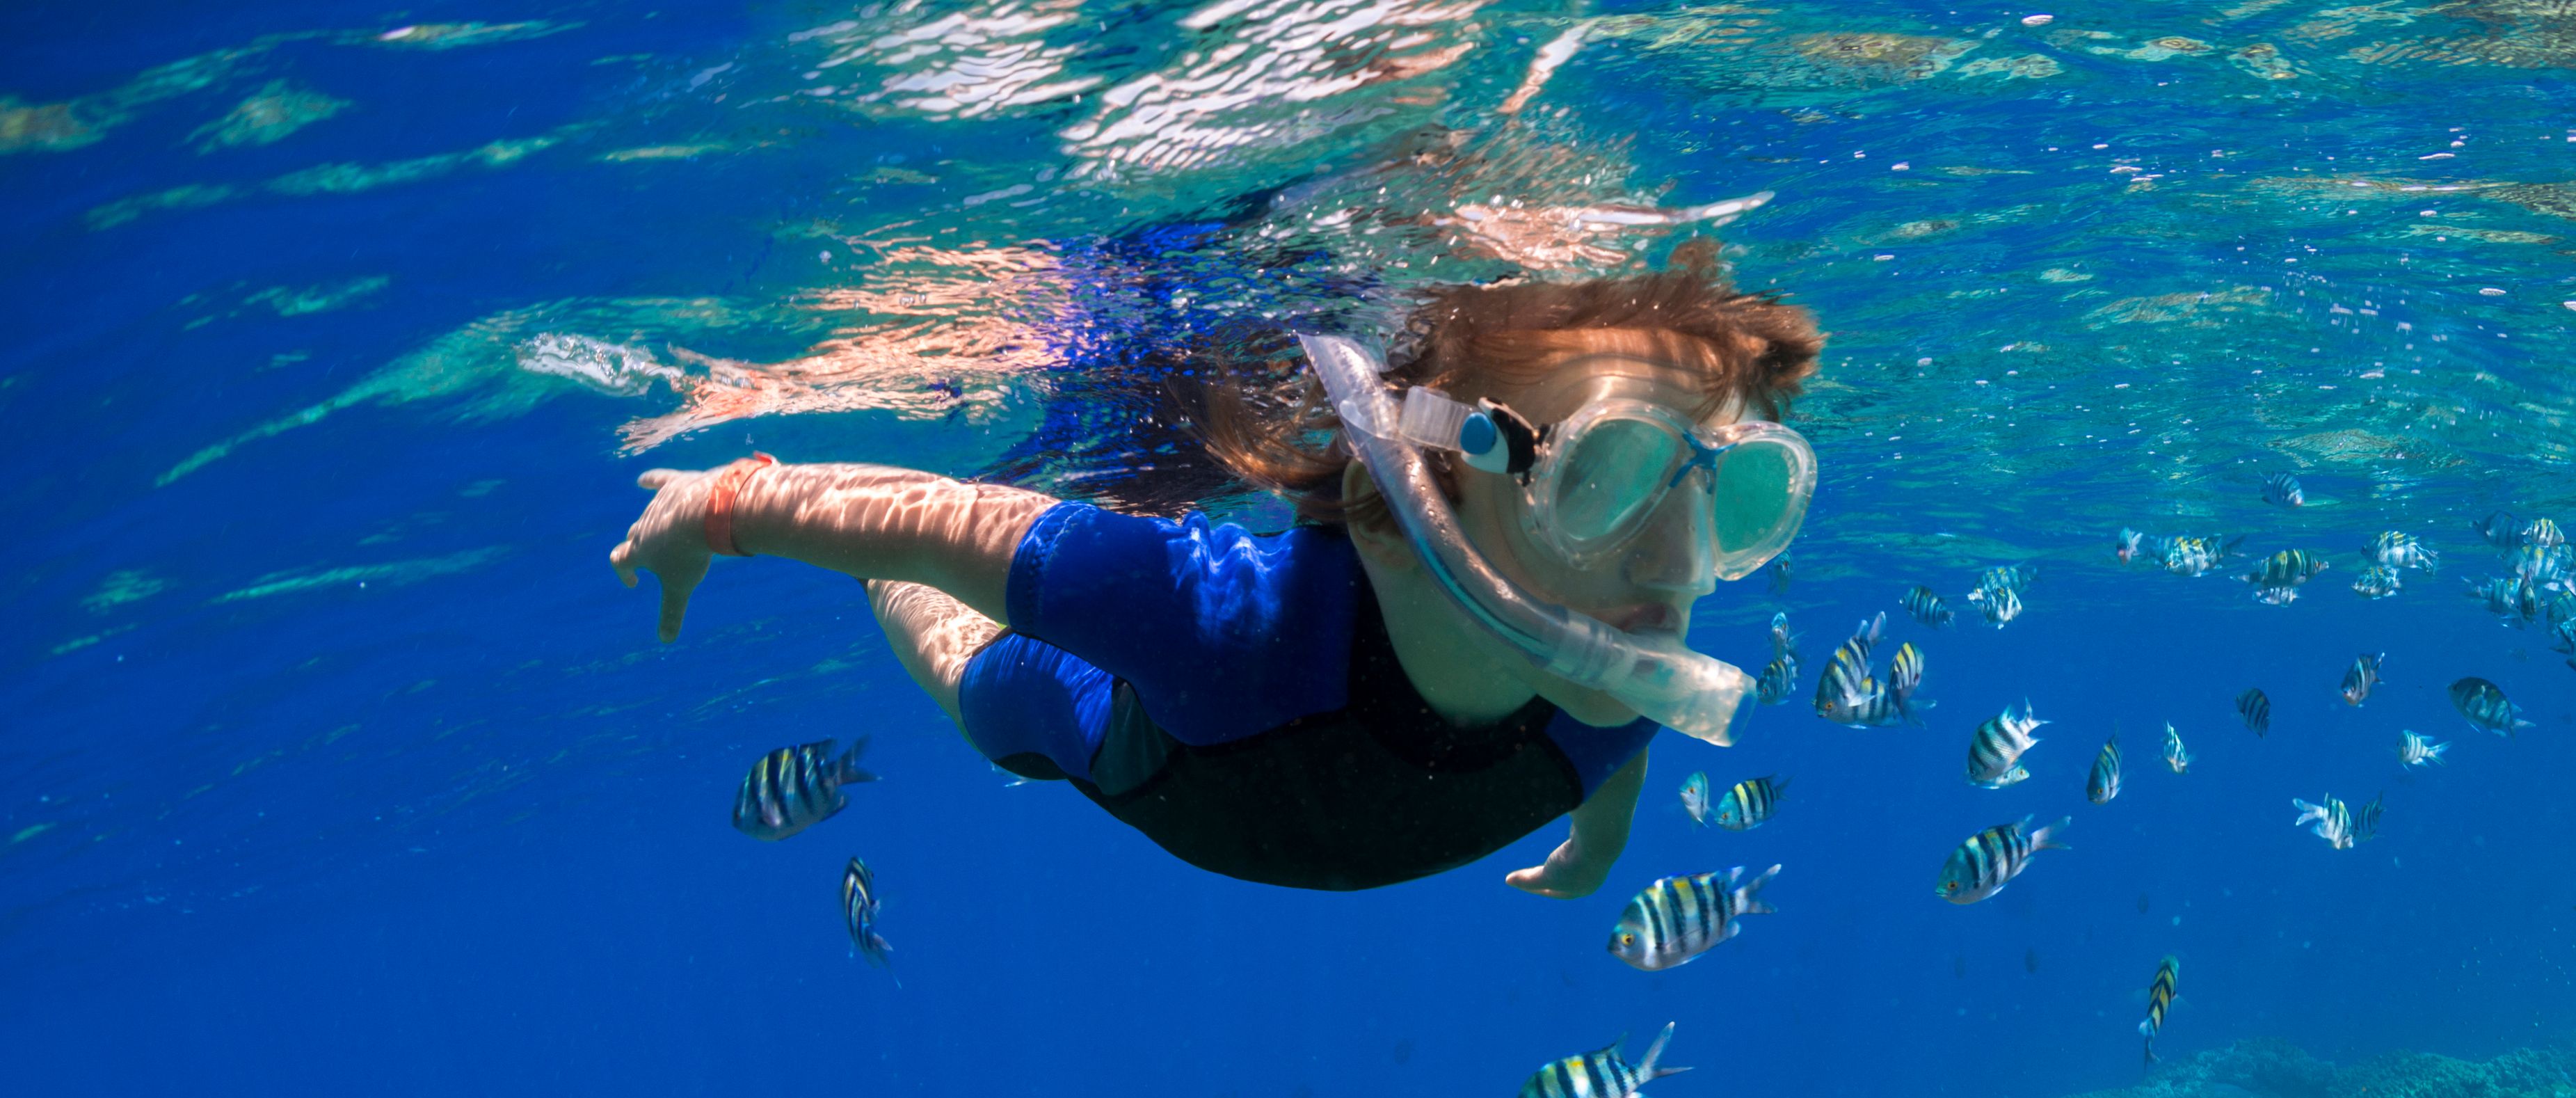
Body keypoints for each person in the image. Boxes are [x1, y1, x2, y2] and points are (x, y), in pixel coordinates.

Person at [605, 241, 1823, 896]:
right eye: (1606, 478)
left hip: (1276, 799)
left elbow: (1617, 745)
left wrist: (1596, 851)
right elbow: (943, 527)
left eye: (1734, 495)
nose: (1682, 566)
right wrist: (717, 506)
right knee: (970, 672)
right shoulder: (1211, 619)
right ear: (1393, 507)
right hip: (1157, 757)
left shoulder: (1616, 647)